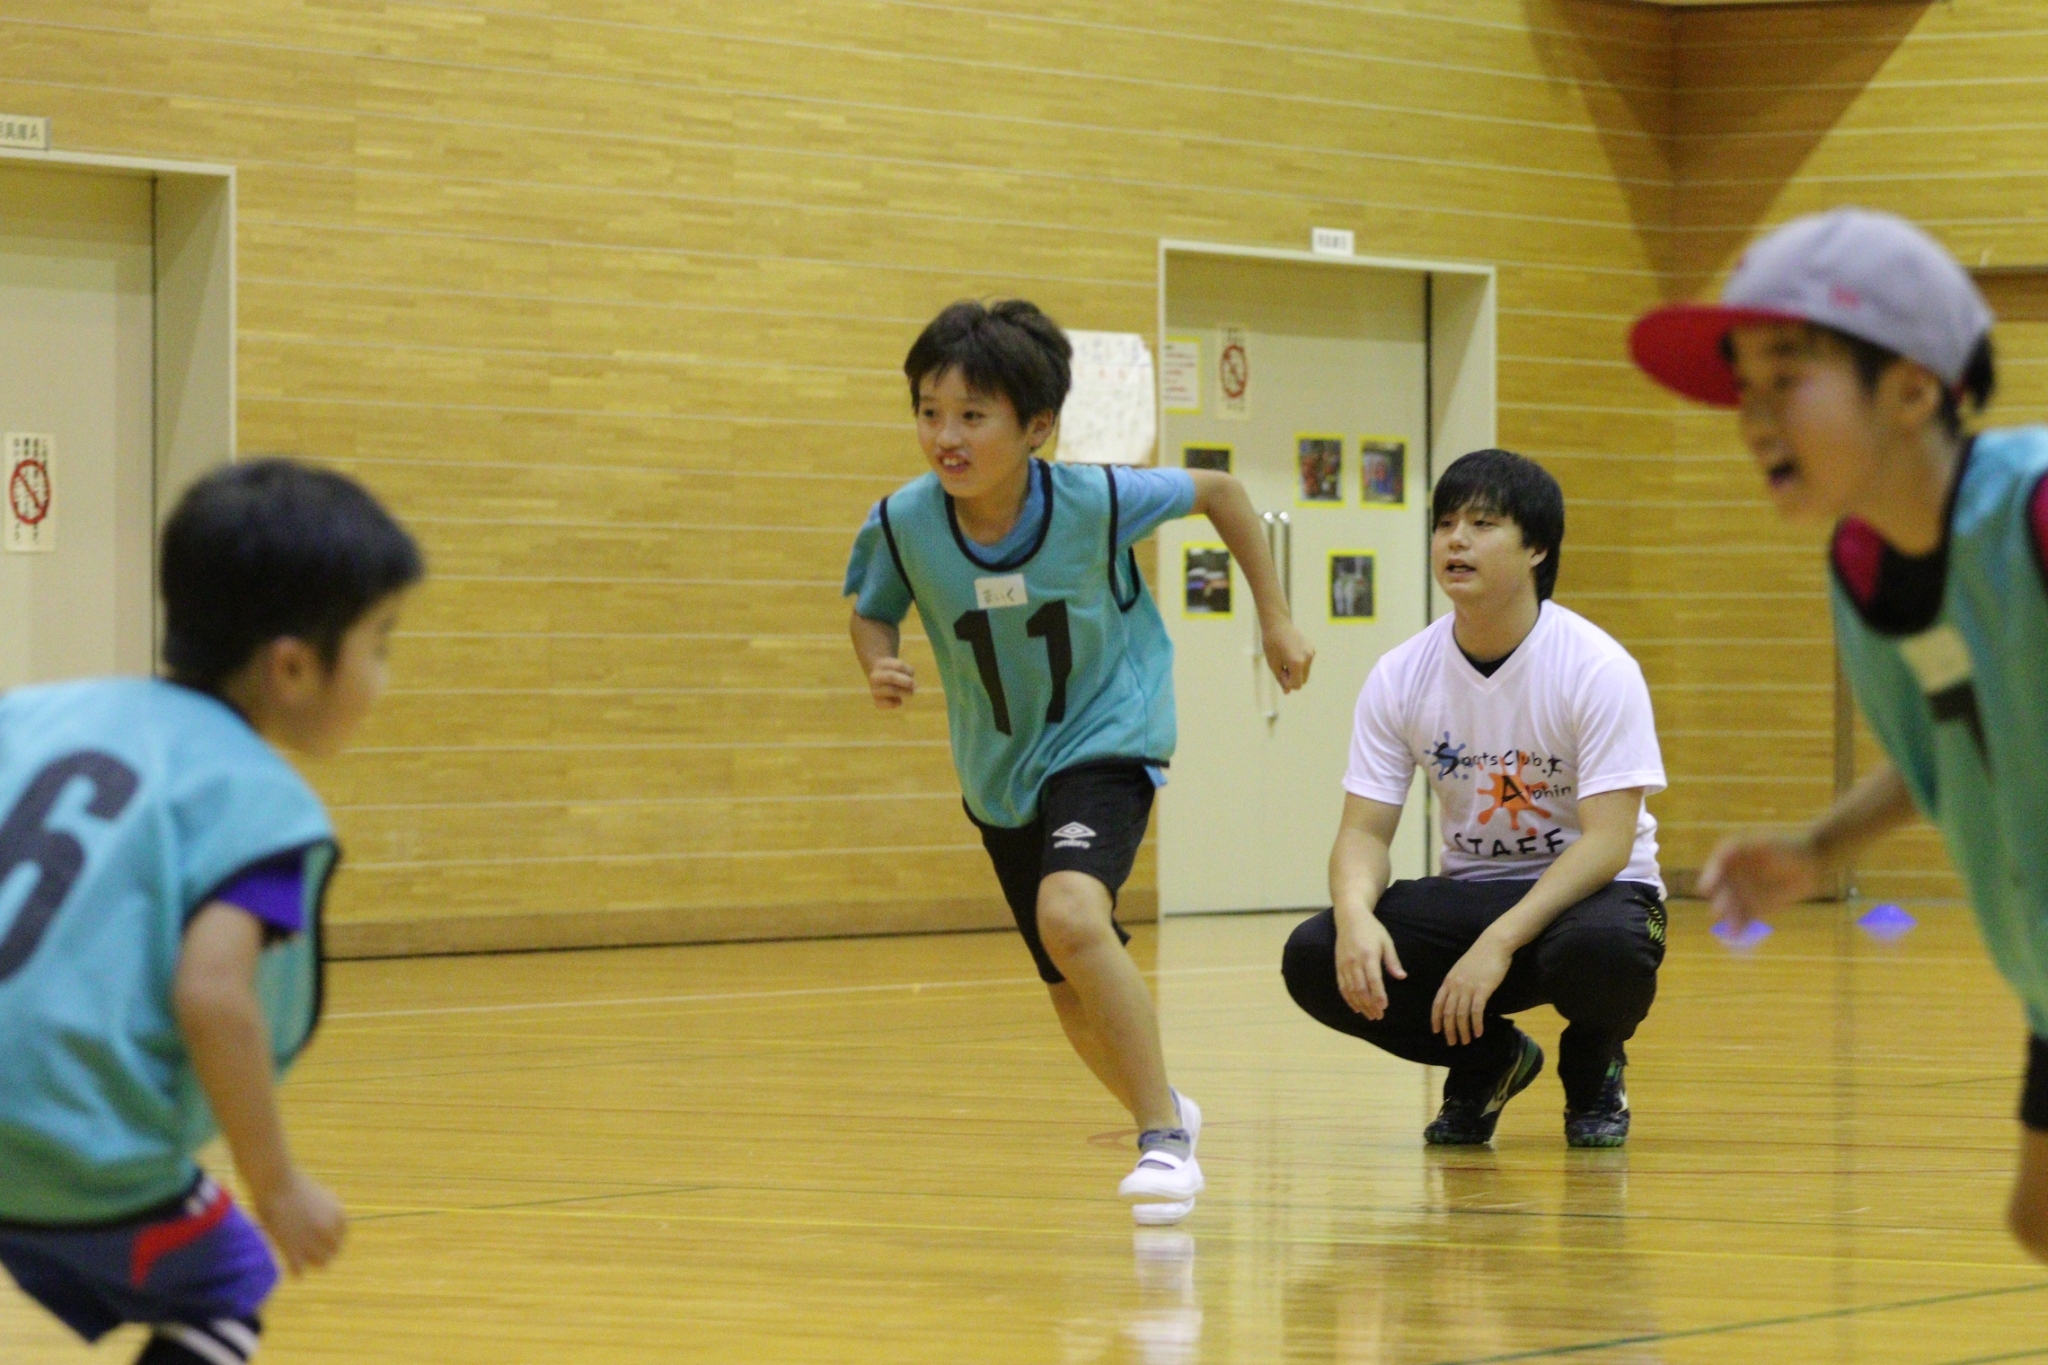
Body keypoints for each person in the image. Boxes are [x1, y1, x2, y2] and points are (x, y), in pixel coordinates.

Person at [1629, 207, 2048, 1258]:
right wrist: (1818, 848)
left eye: (1788, 376)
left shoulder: (2037, 511)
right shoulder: (1866, 571)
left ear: (1911, 388)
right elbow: (1955, 744)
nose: (1755, 417)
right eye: (1744, 387)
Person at [845, 299, 1314, 1223]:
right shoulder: (903, 523)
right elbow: (871, 609)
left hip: (1108, 733)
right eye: (929, 412)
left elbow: (1222, 494)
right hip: (999, 772)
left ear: (1037, 427)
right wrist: (879, 662)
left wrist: (1275, 618)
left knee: (1069, 911)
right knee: (1066, 983)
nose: (946, 435)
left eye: (972, 415)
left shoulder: (1095, 501)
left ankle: (1164, 1141)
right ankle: (1165, 1103)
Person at [0, 460, 423, 1363]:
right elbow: (214, 993)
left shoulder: (30, 719)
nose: (384, 673)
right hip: (73, 1143)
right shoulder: (258, 801)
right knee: (228, 1283)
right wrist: (277, 1184)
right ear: (293, 666)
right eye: (379, 642)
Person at [1280, 449, 1668, 1148]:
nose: (1455, 540)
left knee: (1605, 948)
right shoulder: (1401, 673)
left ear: (1536, 548)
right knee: (1316, 953)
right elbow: (1363, 832)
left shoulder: (1597, 668)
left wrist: (1500, 940)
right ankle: (1488, 1060)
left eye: (1482, 524)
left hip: (1591, 897)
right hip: (1473, 895)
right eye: (1445, 523)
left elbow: (1610, 841)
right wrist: (1355, 915)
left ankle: (1595, 1063)